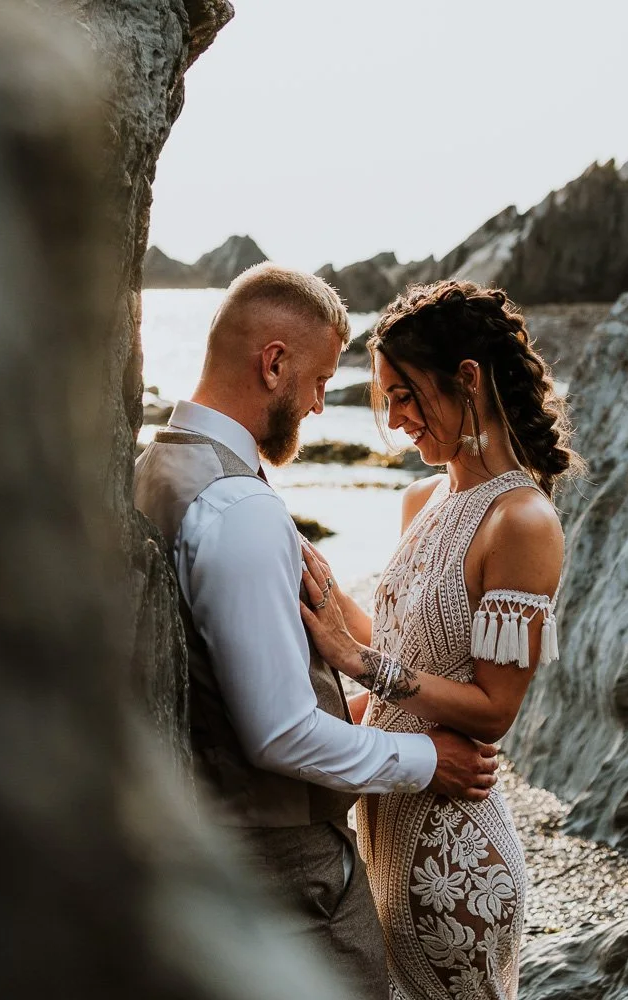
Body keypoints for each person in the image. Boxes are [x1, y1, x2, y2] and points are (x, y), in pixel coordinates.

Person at [134, 264, 500, 998]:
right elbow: (278, 733)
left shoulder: (152, 466)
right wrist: (428, 759)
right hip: (291, 879)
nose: (318, 407)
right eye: (319, 382)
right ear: (274, 363)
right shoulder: (239, 509)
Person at [298, 280, 580, 999]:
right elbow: (407, 644)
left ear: (469, 379)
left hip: (458, 868)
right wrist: (322, 591)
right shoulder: (420, 500)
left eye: (406, 396)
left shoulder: (523, 522)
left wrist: (356, 660)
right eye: (386, 399)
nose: (394, 422)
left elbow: (492, 709)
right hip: (385, 834)